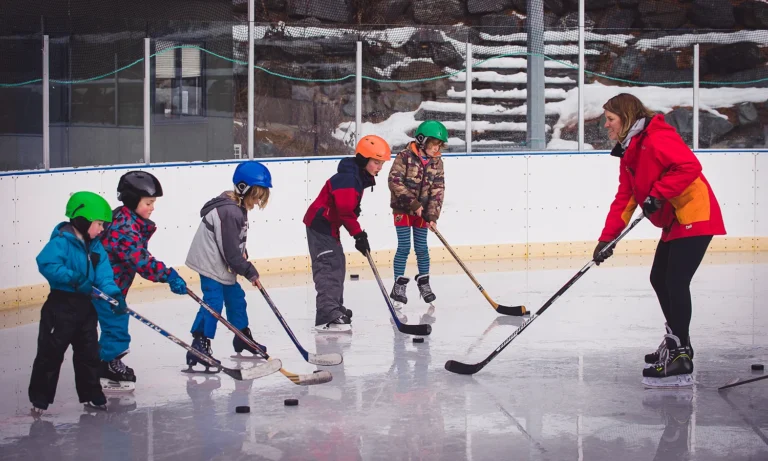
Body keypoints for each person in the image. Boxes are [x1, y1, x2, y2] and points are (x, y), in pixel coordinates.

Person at [593, 93, 726, 387]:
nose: (606, 125)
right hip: (675, 220)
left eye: (610, 119)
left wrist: (658, 193)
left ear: (626, 118)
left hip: (694, 214)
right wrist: (607, 239)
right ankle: (679, 344)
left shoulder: (656, 137)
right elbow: (625, 198)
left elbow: (689, 166)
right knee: (659, 277)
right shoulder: (630, 151)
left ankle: (679, 353)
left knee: (675, 281)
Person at [29, 191, 125, 414]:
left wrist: (114, 294)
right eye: (99, 224)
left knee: (89, 354)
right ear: (82, 220)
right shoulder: (62, 242)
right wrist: (73, 279)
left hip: (85, 308)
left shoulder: (96, 246)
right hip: (60, 307)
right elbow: (46, 263)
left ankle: (92, 395)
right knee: (50, 354)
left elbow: (104, 275)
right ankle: (40, 400)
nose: (102, 229)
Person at [95, 170, 187, 390]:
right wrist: (168, 275)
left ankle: (98, 363)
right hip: (106, 288)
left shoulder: (127, 219)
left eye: (153, 202)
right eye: (148, 202)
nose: (152, 207)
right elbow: (141, 261)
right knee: (116, 323)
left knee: (109, 324)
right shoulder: (124, 227)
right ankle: (107, 365)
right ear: (133, 200)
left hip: (111, 285)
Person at [185, 161, 272, 370]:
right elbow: (231, 253)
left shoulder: (238, 207)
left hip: (221, 261)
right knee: (213, 302)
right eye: (256, 196)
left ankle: (242, 336)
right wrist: (249, 270)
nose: (257, 202)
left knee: (236, 299)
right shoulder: (230, 211)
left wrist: (243, 256)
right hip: (209, 262)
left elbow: (234, 242)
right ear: (243, 190)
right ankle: (199, 343)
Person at [304, 135, 392, 333]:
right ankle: (328, 315)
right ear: (363, 160)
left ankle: (333, 307)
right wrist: (358, 235)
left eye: (381, 163)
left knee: (337, 263)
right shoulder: (349, 178)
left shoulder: (355, 177)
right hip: (321, 224)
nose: (380, 167)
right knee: (328, 264)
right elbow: (344, 211)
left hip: (328, 224)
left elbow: (344, 207)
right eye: (376, 162)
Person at [388, 120, 447, 308]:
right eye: (434, 144)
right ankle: (398, 286)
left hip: (422, 212)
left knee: (422, 248)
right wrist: (412, 203)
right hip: (403, 209)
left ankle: (424, 283)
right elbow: (394, 181)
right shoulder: (404, 157)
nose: (437, 148)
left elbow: (438, 190)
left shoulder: (437, 162)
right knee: (404, 246)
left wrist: (432, 216)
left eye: (439, 145)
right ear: (422, 140)